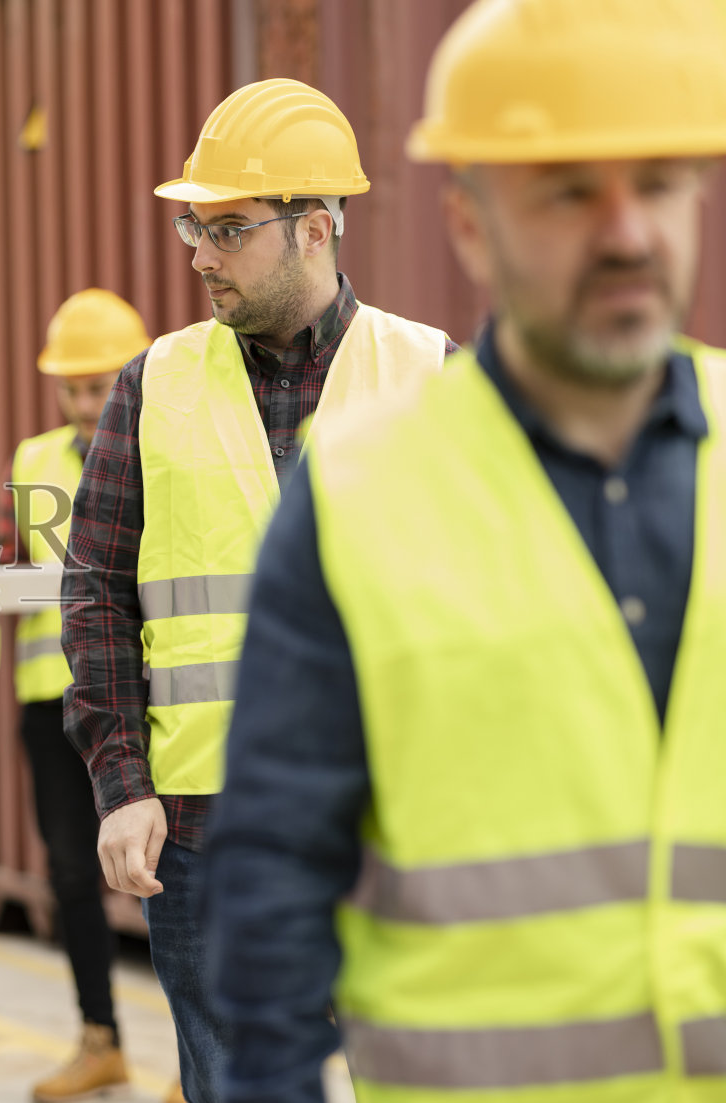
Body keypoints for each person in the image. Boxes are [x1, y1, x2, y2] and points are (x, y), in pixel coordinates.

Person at [205, 1, 726, 1100]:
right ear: (469, 225)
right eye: (570, 192)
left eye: (662, 184)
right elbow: (274, 889)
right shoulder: (358, 497)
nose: (628, 231)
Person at [61, 79, 455, 1103]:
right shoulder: (153, 383)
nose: (197, 251)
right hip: (203, 831)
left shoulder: (431, 377)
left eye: (227, 227)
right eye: (194, 223)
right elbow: (96, 589)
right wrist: (122, 780)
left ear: (314, 228)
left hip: (397, 820)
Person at [0, 288, 150, 1101]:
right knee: (68, 873)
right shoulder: (31, 459)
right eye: (74, 389)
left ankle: (199, 1059)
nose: (87, 404)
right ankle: (101, 1039)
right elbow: (13, 572)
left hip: (131, 692)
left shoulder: (163, 443)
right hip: (47, 695)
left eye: (99, 385)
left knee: (164, 867)